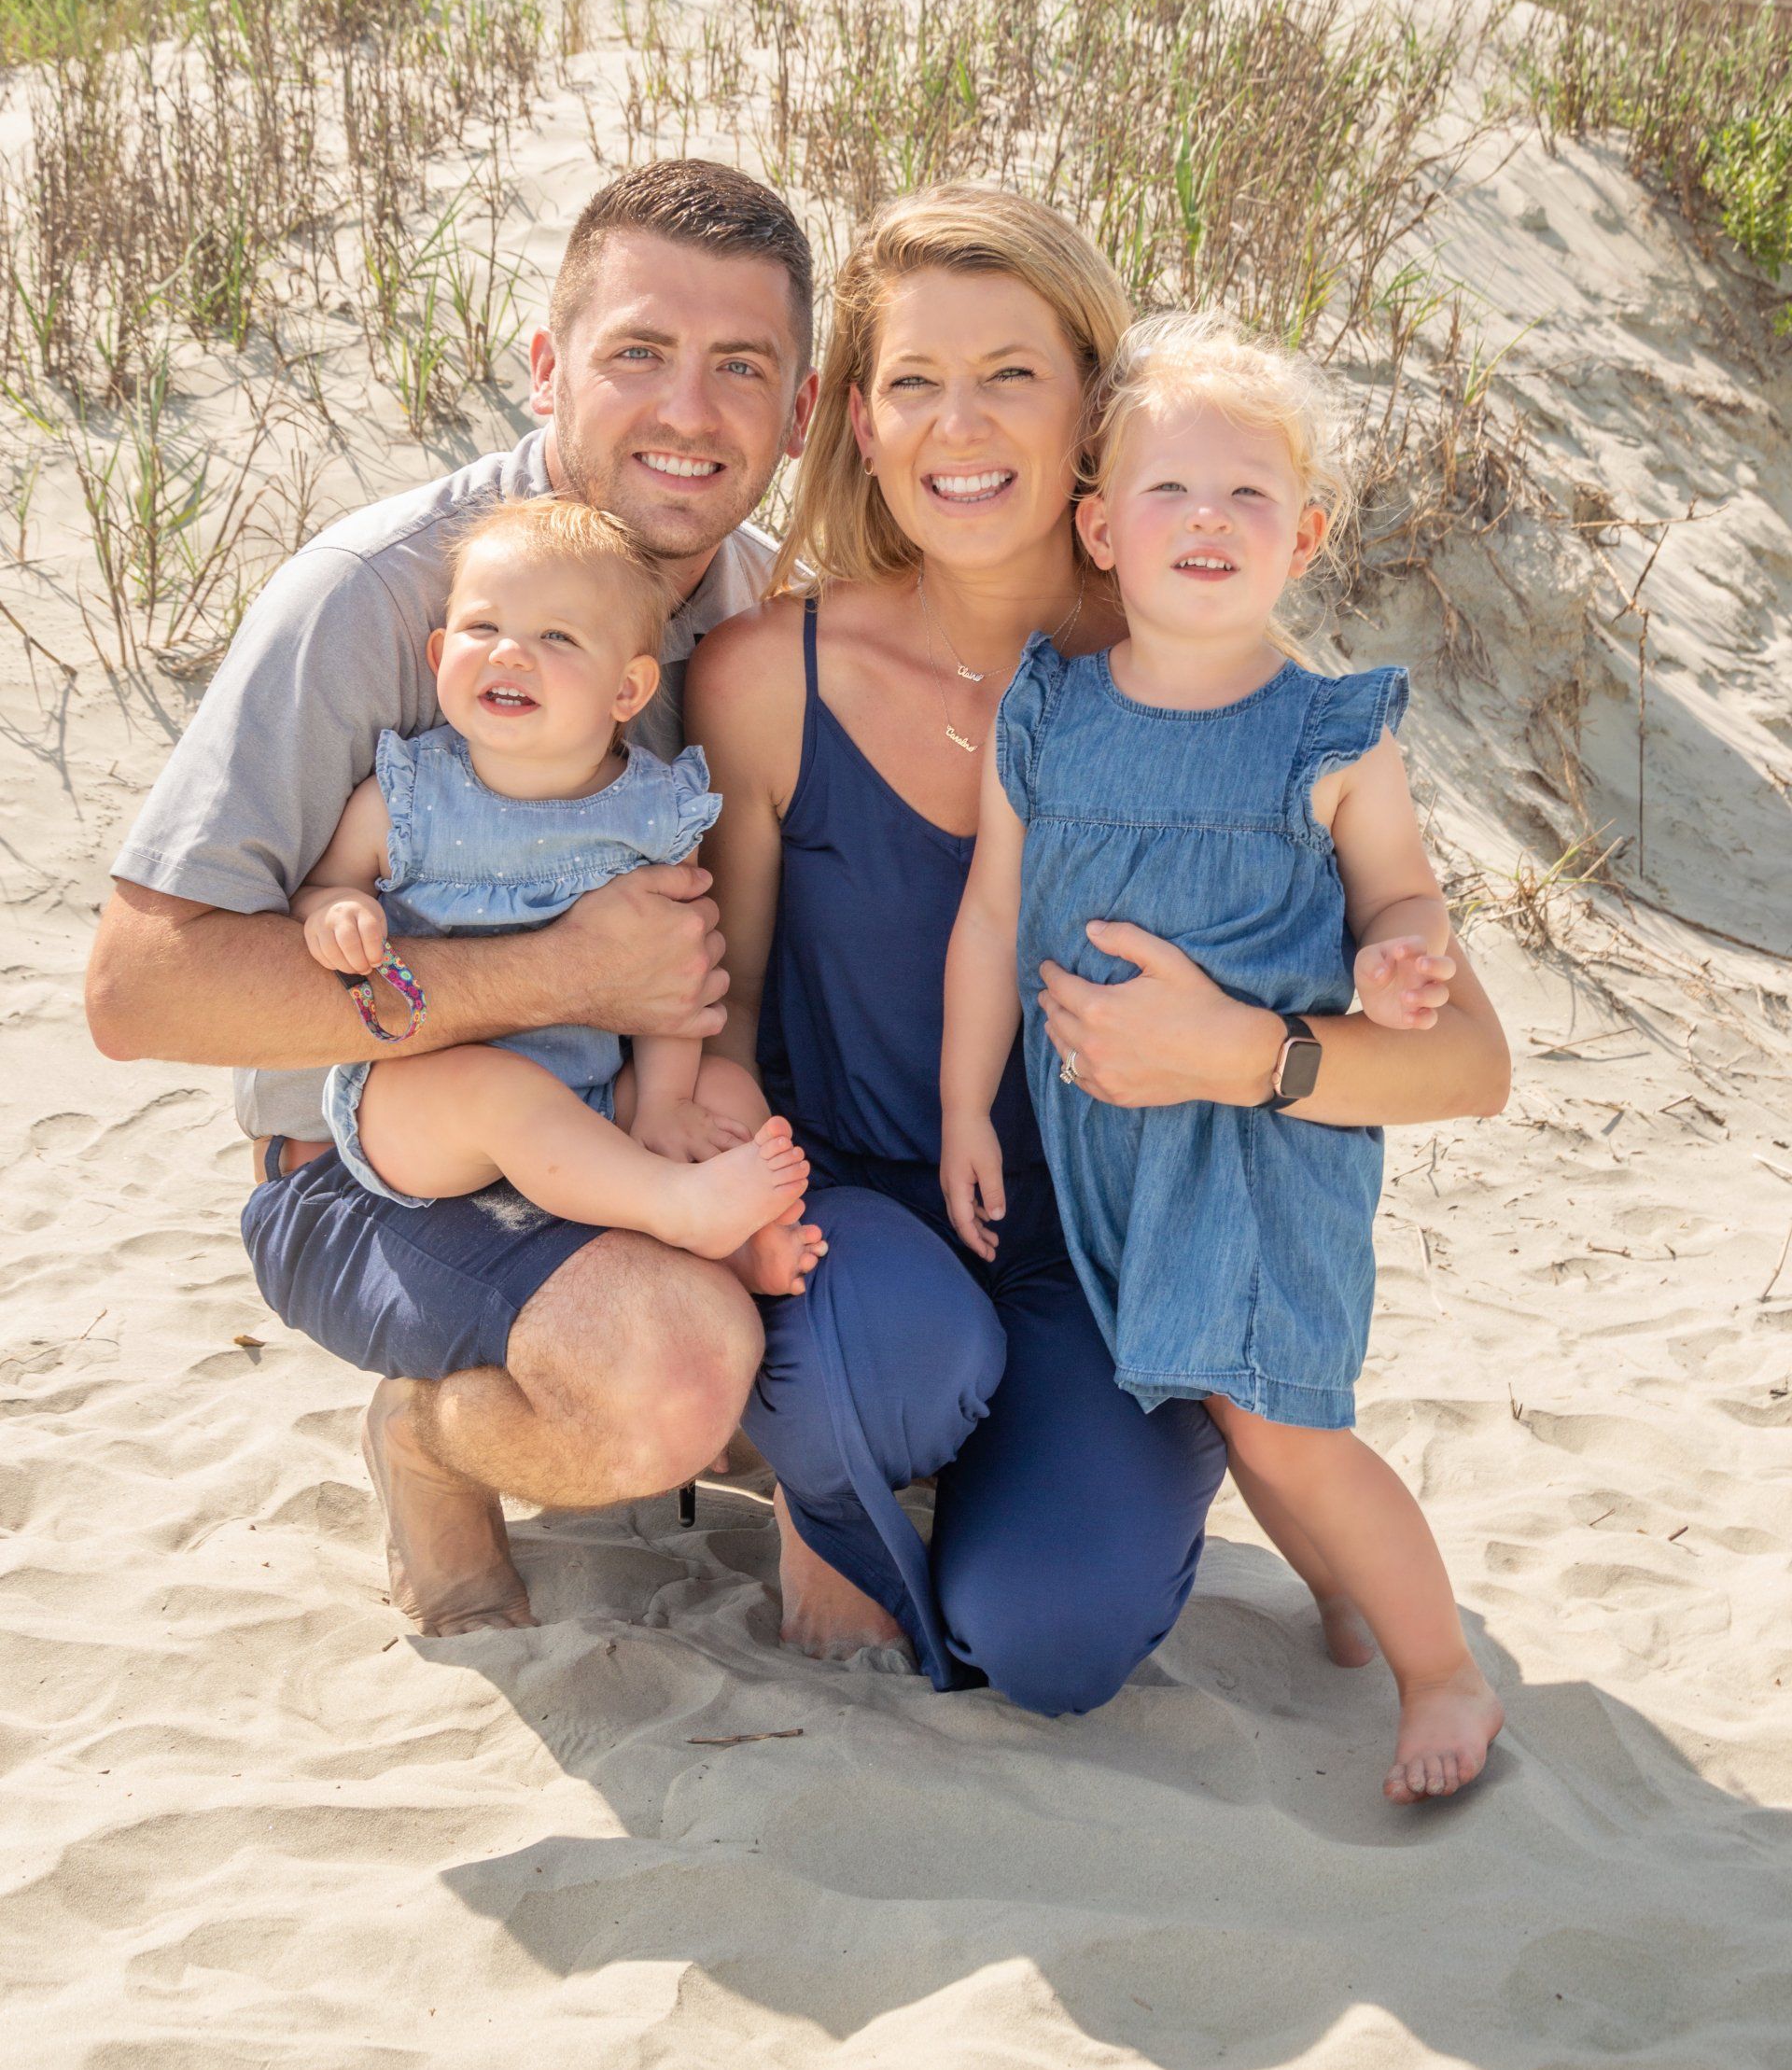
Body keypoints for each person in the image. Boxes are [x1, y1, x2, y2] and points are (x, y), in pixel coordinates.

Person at [689, 186, 1511, 1719]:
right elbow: (719, 1026)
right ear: (859, 421)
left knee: (1052, 1639)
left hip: (1123, 1260)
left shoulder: (1212, 668)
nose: (961, 422)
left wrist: (1248, 1054)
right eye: (914, 381)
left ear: (1092, 415)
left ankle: (1085, 1471)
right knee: (889, 1366)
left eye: (1013, 372)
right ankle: (832, 1472)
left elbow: (1469, 1061)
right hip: (871, 1219)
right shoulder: (767, 678)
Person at [86, 160, 819, 1638]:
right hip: (370, 1170)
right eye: (637, 354)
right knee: (669, 1378)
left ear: (800, 413)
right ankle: (428, 1438)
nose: (689, 410)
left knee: (859, 1331)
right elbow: (136, 989)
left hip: (627, 1137)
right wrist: (560, 972)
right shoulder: (390, 596)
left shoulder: (763, 613)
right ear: (545, 366)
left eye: (741, 367)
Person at [941, 312, 1503, 1797]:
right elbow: (993, 909)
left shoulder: (1328, 728)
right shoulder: (1047, 712)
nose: (1209, 520)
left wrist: (1399, 950)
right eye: (1170, 492)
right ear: (1100, 526)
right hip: (1104, 1147)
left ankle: (1444, 1671)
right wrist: (962, 1107)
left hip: (1261, 1152)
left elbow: (1400, 888)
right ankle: (1340, 1593)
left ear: (1304, 535)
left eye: (1249, 496)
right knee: (1249, 1419)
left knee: (1283, 1426)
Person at [296, 495, 819, 1290]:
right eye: (482, 629)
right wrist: (340, 912)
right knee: (502, 1090)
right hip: (423, 1103)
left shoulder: (651, 812)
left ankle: (747, 1238)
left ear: (628, 691)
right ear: (438, 655)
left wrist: (666, 1100)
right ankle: (676, 1207)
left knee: (722, 1088)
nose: (509, 653)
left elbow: (677, 971)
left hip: (594, 1090)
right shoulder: (408, 796)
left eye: (557, 637)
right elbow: (326, 887)